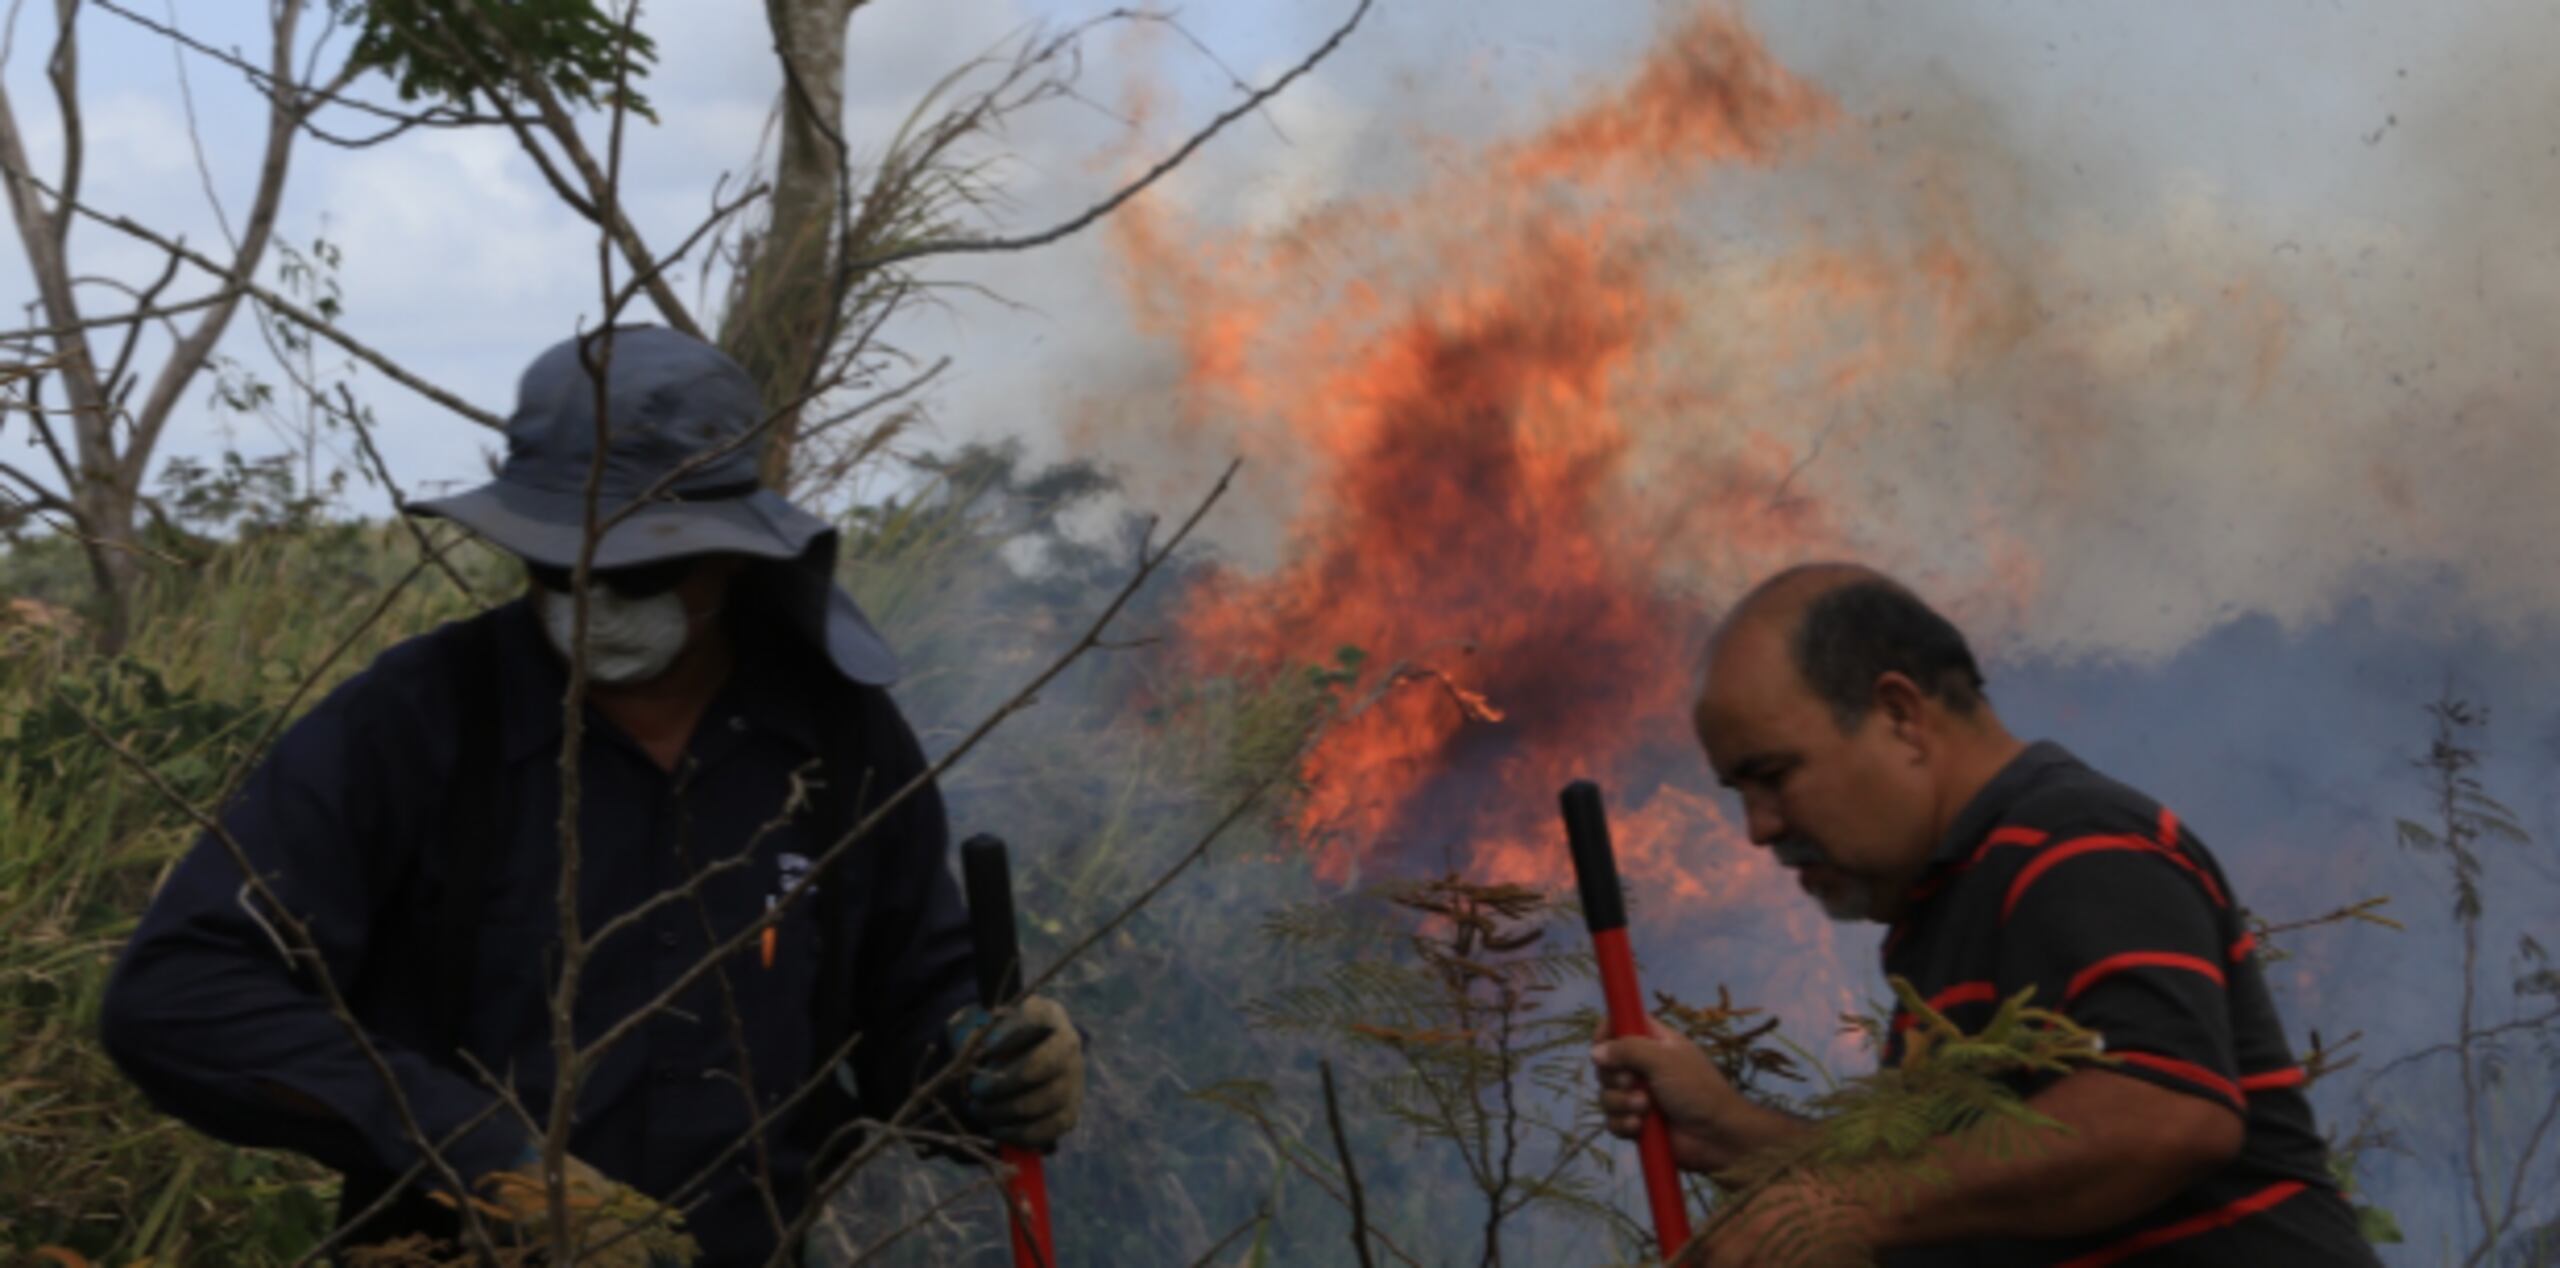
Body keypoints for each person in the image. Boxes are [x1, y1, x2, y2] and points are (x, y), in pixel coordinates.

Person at [100, 327, 1084, 1266]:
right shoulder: (415, 722)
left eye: (640, 565)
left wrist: (981, 1064)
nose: (594, 595)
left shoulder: (835, 739)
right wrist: (478, 1154)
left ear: (736, 551)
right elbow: (180, 993)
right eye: (557, 561)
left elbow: (914, 1009)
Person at [1594, 563, 2378, 1266]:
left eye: (1773, 775)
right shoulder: (1942, 911)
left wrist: (1846, 1207)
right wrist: (1734, 1135)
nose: (1759, 827)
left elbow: (2164, 1114)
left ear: (1899, 715)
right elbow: (1959, 1184)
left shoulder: (2073, 841)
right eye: (1741, 792)